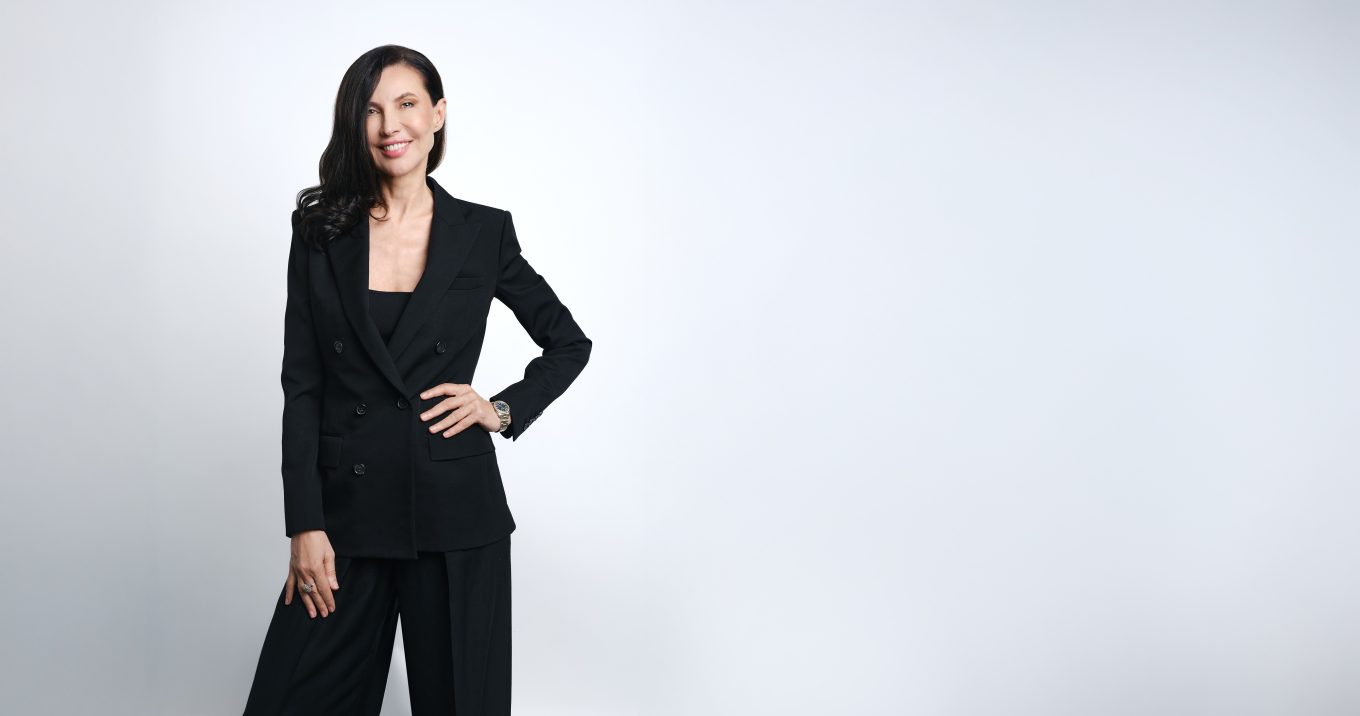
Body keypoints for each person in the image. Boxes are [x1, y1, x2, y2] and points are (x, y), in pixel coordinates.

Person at [243, 44, 592, 715]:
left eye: (406, 104)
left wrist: (501, 409)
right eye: (371, 110)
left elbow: (569, 343)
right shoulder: (320, 229)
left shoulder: (483, 233)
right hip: (345, 516)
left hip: (455, 512)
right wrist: (304, 524)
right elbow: (303, 387)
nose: (389, 125)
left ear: (438, 114)